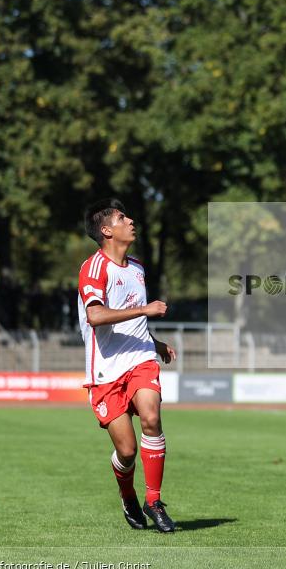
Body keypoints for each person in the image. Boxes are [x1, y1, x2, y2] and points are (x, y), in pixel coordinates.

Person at [77, 199, 177, 533]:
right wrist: (144, 311)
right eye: (122, 218)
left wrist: (154, 340)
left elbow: (133, 315)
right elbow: (96, 315)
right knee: (127, 451)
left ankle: (154, 500)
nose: (130, 220)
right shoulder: (94, 268)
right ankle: (127, 493)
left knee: (151, 416)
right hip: (105, 371)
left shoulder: (136, 267)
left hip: (141, 359)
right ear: (107, 231)